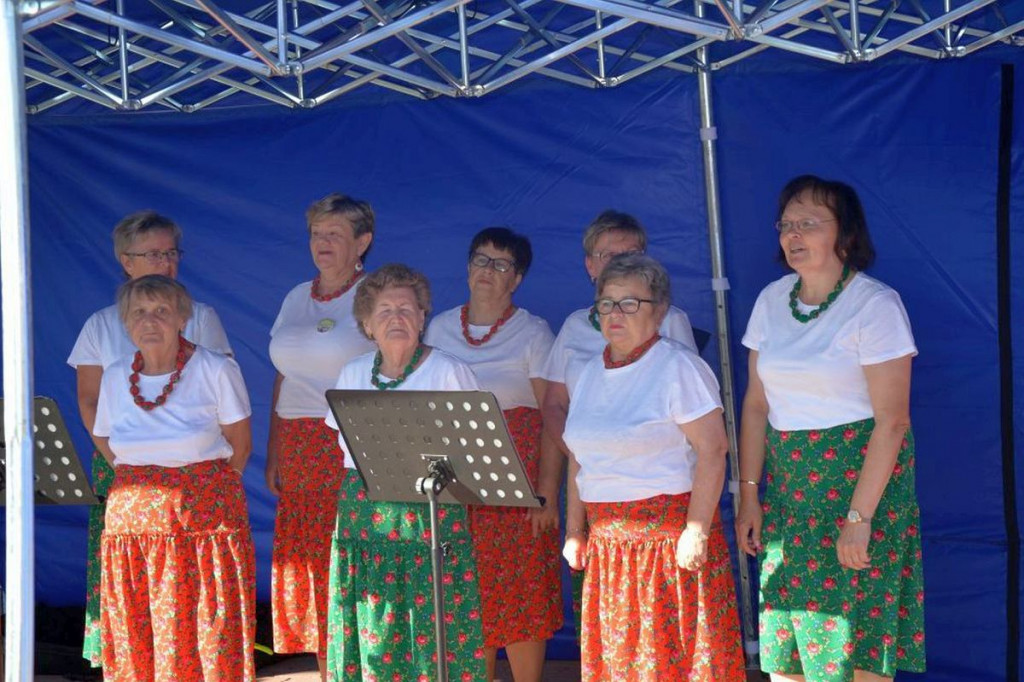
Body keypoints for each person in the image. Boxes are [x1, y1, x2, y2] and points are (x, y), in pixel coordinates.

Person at [735, 175, 925, 682]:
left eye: (809, 223)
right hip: (793, 500)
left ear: (844, 234)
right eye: (786, 225)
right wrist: (750, 495)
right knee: (789, 651)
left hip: (860, 494)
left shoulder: (875, 305)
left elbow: (893, 421)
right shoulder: (771, 301)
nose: (793, 235)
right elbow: (756, 406)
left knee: (855, 650)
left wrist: (859, 517)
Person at [561, 254, 745, 681]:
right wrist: (575, 531)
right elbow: (578, 457)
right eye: (606, 304)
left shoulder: (679, 367)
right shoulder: (588, 373)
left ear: (659, 310)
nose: (615, 314)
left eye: (630, 303)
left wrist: (696, 531)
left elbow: (714, 451)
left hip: (666, 545)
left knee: (672, 664)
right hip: (608, 549)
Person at [66, 210, 232, 667]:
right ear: (126, 261)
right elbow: (88, 402)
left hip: (194, 475)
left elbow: (224, 400)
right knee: (131, 576)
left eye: (171, 252)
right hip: (124, 468)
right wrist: (121, 463)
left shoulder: (201, 318)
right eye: (154, 253)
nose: (166, 262)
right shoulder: (101, 325)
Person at [540, 209, 700, 636]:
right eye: (609, 254)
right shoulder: (574, 328)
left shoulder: (672, 322)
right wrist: (586, 453)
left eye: (631, 253)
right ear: (590, 265)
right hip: (594, 491)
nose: (620, 262)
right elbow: (555, 406)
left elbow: (697, 419)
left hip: (658, 499)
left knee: (664, 631)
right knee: (610, 629)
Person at [324, 263, 486, 682]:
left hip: (429, 518)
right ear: (366, 323)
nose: (396, 318)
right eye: (384, 311)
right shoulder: (352, 373)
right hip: (365, 520)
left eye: (406, 309)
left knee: (433, 628)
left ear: (422, 318)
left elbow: (476, 454)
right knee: (373, 627)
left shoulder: (449, 372)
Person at [92, 275, 255, 682]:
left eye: (161, 311)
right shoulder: (114, 377)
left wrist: (194, 488)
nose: (150, 321)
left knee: (206, 629)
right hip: (133, 529)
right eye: (139, 313)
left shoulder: (216, 368)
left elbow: (240, 446)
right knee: (139, 630)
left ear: (183, 318)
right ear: (126, 324)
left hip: (203, 526)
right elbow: (108, 440)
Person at [425, 227, 563, 682]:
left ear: (517, 278)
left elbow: (552, 418)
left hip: (516, 487)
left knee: (521, 594)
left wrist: (545, 493)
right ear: (467, 268)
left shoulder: (534, 332)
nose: (488, 270)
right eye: (481, 260)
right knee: (469, 594)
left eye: (501, 264)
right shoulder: (439, 327)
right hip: (457, 486)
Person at [267, 193, 377, 680]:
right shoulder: (295, 296)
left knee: (351, 559)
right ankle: (326, 668)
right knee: (311, 565)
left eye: (334, 234)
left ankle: (362, 666)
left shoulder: (375, 294)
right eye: (316, 233)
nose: (322, 243)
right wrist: (275, 449)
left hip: (351, 441)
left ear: (363, 242)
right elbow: (283, 376)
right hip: (297, 443)